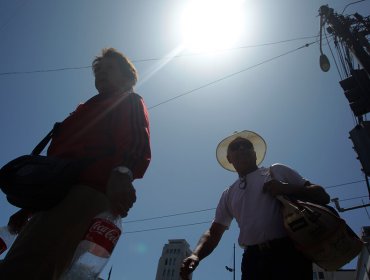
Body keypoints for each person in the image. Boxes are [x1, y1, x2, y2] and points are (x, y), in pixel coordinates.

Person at [0, 48, 151, 280]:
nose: (101, 73)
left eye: (109, 68)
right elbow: (58, 165)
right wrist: (29, 209)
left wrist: (122, 174)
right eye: (98, 70)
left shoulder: (128, 101)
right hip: (54, 197)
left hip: (85, 192)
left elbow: (136, 142)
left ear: (127, 77)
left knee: (23, 268)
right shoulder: (84, 109)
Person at [180, 130, 330, 280]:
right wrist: (195, 254)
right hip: (252, 260)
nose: (241, 148)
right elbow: (214, 232)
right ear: (229, 158)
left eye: (246, 145)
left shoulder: (276, 170)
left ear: (254, 153)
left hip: (289, 252)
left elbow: (322, 196)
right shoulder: (228, 194)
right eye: (235, 147)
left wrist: (286, 188)